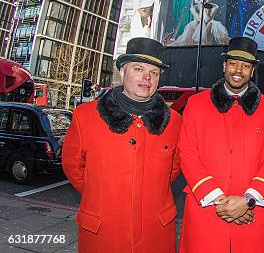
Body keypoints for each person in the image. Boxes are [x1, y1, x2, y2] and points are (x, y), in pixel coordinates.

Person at [63, 38, 182, 253]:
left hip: (155, 235)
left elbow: (172, 170)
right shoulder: (85, 116)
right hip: (102, 234)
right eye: (139, 69)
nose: (147, 78)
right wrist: (101, 195)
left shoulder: (174, 121)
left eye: (154, 72)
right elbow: (73, 167)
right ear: (122, 71)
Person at [178, 37, 264, 252]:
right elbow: (187, 153)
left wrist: (248, 200)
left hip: (252, 213)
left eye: (246, 66)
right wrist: (219, 200)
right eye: (233, 63)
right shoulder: (196, 104)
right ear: (224, 65)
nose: (239, 70)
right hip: (206, 210)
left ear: (252, 71)